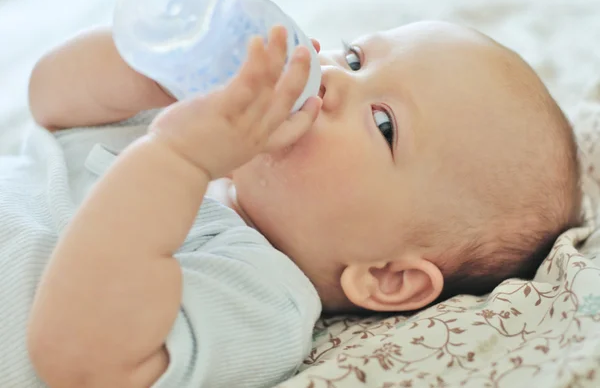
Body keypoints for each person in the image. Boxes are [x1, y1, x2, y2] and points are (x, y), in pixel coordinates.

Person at [0, 21, 581, 387]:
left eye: (383, 123)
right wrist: (155, 70)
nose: (330, 78)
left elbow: (77, 363)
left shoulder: (264, 301)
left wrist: (176, 159)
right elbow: (50, 98)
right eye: (355, 58)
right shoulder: (196, 130)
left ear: (387, 276)